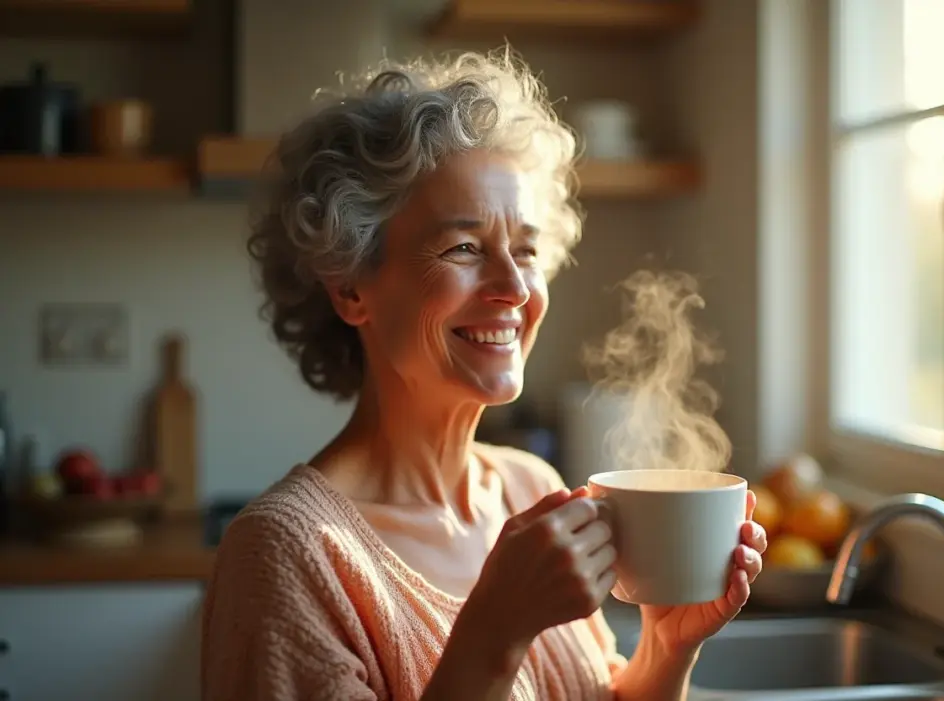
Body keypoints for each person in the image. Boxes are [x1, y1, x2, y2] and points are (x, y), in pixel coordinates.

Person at [200, 48, 767, 701]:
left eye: (525, 250)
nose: (514, 288)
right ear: (352, 287)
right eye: (464, 247)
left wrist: (666, 651)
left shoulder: (532, 491)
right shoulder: (286, 554)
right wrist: (495, 631)